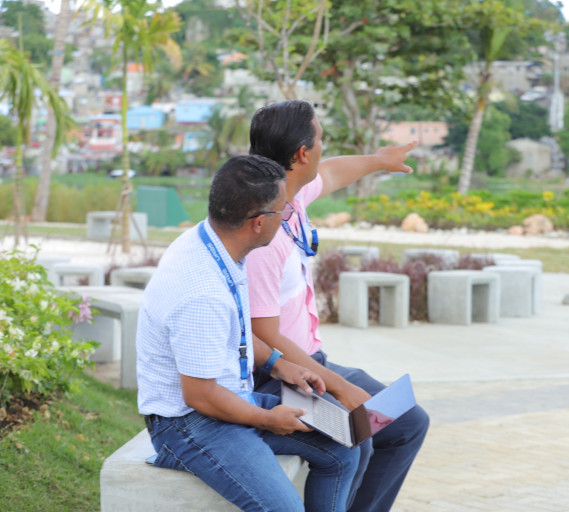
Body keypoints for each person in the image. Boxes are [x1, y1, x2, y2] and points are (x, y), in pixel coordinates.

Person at [136, 154, 359, 512]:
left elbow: (233, 330)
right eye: (283, 211)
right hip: (188, 425)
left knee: (345, 444)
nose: (287, 217)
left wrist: (279, 365)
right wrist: (269, 420)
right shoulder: (201, 292)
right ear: (258, 222)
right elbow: (200, 395)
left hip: (231, 397)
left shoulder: (218, 243)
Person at [245, 100, 430, 512]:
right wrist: (339, 386)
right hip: (278, 375)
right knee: (358, 434)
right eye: (320, 140)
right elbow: (263, 337)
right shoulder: (263, 234)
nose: (323, 150)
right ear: (301, 154)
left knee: (407, 422)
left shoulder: (291, 199)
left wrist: (379, 161)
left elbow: (330, 173)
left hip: (314, 363)